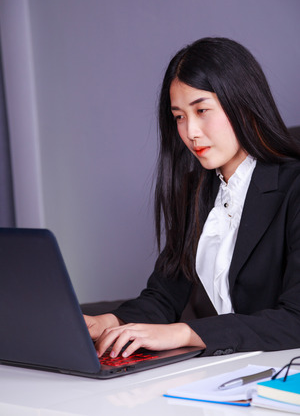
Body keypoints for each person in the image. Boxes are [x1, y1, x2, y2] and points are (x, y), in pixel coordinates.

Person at [84, 37, 300, 359]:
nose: (190, 132)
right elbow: (164, 296)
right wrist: (108, 322)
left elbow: (294, 320)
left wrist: (186, 332)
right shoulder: (195, 190)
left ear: (243, 103)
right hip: (221, 370)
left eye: (201, 110)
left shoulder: (293, 187)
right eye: (180, 116)